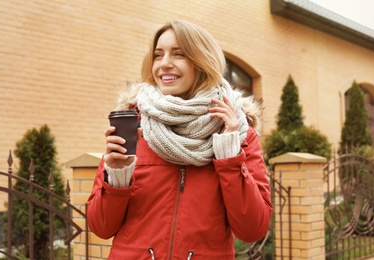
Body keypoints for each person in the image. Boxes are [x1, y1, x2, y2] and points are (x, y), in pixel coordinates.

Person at [87, 20, 272, 260]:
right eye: (158, 55)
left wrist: (228, 155)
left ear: (203, 61)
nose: (164, 64)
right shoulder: (132, 125)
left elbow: (252, 229)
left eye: (179, 54)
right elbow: (101, 227)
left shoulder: (236, 132)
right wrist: (117, 177)